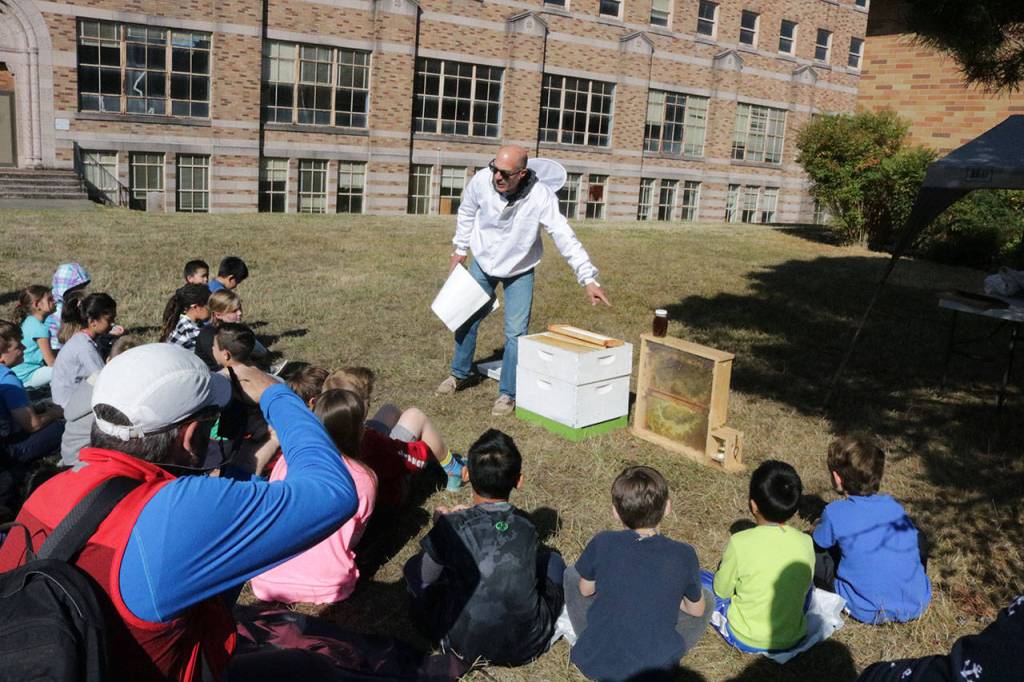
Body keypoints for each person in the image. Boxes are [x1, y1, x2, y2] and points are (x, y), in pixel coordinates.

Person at [0, 343, 359, 681]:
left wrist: (244, 465)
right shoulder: (171, 514)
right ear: (189, 436)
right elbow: (332, 494)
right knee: (307, 669)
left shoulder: (48, 490)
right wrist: (275, 395)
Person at [437, 145, 611, 416]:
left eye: (505, 174)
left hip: (520, 268)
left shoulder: (541, 196)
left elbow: (563, 234)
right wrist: (460, 249)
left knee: (516, 333)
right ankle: (460, 374)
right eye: (495, 169)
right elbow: (467, 210)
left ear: (522, 173)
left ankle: (508, 394)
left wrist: (588, 278)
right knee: (465, 317)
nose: (497, 177)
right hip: (483, 262)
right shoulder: (482, 181)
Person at [403, 429, 564, 667]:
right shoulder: (527, 526)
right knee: (554, 560)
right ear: (519, 481)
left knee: (413, 571)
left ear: (466, 473)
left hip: (459, 644)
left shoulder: (451, 527)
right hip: (527, 644)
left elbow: (422, 578)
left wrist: (440, 529)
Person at [564, 466, 713, 681]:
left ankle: (593, 635)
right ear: (668, 507)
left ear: (615, 512)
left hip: (594, 659)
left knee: (572, 574)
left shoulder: (603, 541)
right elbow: (697, 611)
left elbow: (585, 590)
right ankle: (666, 649)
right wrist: (670, 597)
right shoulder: (684, 554)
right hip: (655, 667)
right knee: (707, 599)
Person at [251, 388, 377, 605]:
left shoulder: (286, 461)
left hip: (265, 580)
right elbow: (354, 537)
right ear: (359, 431)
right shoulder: (364, 478)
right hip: (330, 587)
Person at [812, 436, 931, 624]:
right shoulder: (893, 505)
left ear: (836, 478)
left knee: (816, 554)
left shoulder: (834, 512)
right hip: (917, 603)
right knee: (917, 536)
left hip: (866, 608)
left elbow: (818, 543)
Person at [702, 460, 814, 653]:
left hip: (744, 635)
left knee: (700, 578)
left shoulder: (740, 542)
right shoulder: (806, 542)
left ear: (753, 505)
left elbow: (721, 591)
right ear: (794, 508)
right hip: (793, 637)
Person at [326, 366, 463, 502]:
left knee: (389, 410)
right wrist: (423, 449)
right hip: (388, 494)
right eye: (367, 397)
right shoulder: (375, 443)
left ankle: (439, 459)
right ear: (360, 406)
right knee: (415, 416)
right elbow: (414, 457)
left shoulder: (324, 433)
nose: (370, 401)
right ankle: (454, 470)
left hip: (364, 467)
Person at [59, 335, 142, 467]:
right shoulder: (114, 395)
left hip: (69, 456)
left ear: (108, 359)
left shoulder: (91, 382)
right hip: (87, 464)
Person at [0, 320, 64, 464]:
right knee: (62, 426)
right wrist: (55, 414)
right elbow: (32, 425)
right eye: (18, 346)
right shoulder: (8, 379)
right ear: (2, 357)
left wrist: (38, 409)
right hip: (9, 451)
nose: (24, 347)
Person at [50, 292, 118, 408]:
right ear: (92, 322)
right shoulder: (85, 348)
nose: (113, 324)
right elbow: (102, 381)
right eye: (109, 320)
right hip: (68, 408)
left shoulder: (80, 340)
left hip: (67, 402)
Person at [11, 285, 57, 389]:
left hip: (18, 373)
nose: (55, 301)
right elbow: (51, 362)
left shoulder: (29, 320)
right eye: (50, 299)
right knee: (67, 370)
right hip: (28, 376)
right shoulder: (40, 328)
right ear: (37, 305)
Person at [48, 262, 91, 350]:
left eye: (83, 287)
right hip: (57, 349)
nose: (82, 291)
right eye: (78, 288)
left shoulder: (74, 305)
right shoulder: (56, 310)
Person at [160, 283, 211, 351]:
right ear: (196, 307)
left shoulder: (180, 320)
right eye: (209, 305)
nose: (212, 309)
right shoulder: (190, 330)